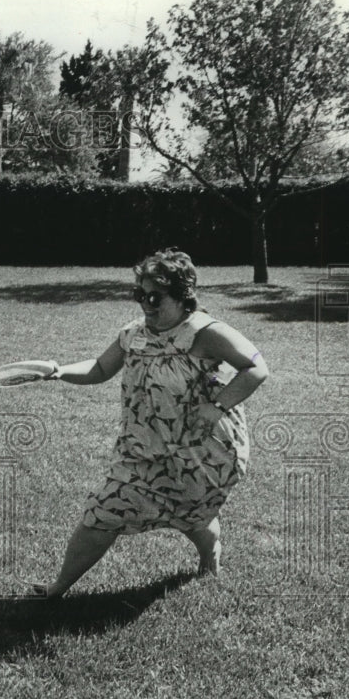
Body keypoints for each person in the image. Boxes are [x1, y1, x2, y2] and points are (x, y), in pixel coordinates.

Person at [34, 248, 269, 597]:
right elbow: (100, 369)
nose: (145, 303)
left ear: (181, 294)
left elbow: (256, 368)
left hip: (200, 448)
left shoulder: (205, 332)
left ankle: (209, 556)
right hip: (144, 446)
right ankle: (58, 589)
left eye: (155, 296)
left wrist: (217, 406)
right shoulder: (133, 333)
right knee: (105, 508)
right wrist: (59, 371)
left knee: (191, 514)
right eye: (139, 294)